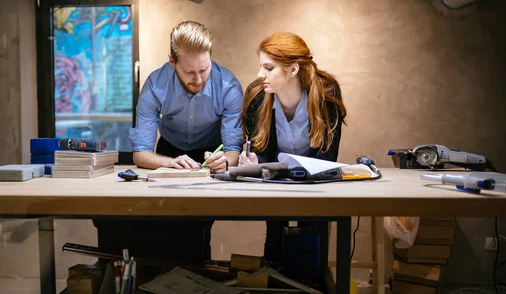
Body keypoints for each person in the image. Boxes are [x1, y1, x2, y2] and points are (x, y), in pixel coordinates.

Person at [94, 21, 244, 262]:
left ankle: (197, 272)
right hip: (168, 153)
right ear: (172, 61)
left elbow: (233, 150)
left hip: (211, 153)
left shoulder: (229, 86)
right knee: (165, 220)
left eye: (204, 70)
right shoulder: (155, 84)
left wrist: (225, 160)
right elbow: (141, 154)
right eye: (189, 72)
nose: (198, 79)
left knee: (199, 225)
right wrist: (168, 162)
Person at [239, 32, 347, 260]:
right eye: (261, 67)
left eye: (269, 68)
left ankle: (314, 288)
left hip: (314, 182)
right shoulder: (257, 96)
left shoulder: (327, 93)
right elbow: (261, 152)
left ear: (293, 69)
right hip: (275, 183)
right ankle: (274, 284)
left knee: (311, 238)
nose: (260, 74)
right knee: (275, 235)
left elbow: (327, 158)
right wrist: (253, 161)